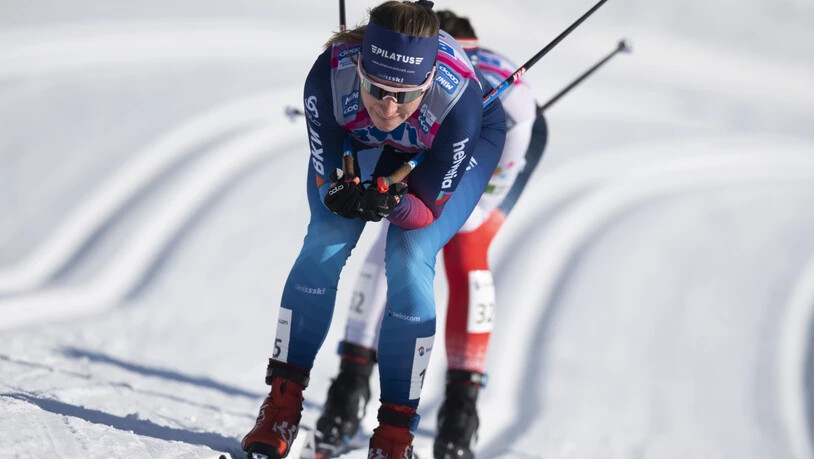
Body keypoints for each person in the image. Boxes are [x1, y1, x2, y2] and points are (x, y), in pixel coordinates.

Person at [240, 1, 507, 458]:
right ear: (359, 68)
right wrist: (341, 192)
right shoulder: (327, 77)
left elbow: (423, 211)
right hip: (358, 140)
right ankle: (280, 408)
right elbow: (330, 181)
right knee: (326, 241)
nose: (388, 106)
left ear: (426, 84)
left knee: (409, 255)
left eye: (404, 95)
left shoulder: (457, 103)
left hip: (448, 141)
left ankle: (393, 438)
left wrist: (395, 205)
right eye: (376, 88)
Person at [312, 9, 549, 459]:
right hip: (436, 136)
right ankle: (351, 383)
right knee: (395, 238)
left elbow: (478, 205)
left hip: (504, 147)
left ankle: (461, 411)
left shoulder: (507, 98)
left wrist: (449, 212)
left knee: (466, 245)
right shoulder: (413, 82)